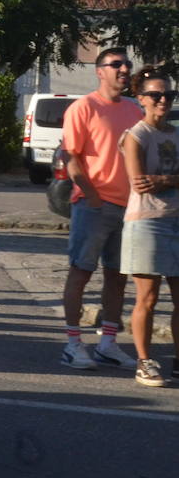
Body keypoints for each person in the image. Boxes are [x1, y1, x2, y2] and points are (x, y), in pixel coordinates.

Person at [59, 47, 142, 371]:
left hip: (129, 207)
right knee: (81, 272)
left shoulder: (134, 110)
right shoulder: (84, 107)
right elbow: (71, 156)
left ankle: (108, 343)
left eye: (126, 64)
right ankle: (72, 344)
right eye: (116, 64)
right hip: (94, 205)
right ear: (100, 70)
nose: (123, 69)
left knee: (118, 277)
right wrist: (92, 195)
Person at [118, 67, 179, 387]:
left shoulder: (177, 133)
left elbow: (154, 181)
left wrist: (164, 180)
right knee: (148, 298)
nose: (163, 100)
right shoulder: (136, 136)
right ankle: (144, 361)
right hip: (147, 223)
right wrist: (168, 181)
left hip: (177, 220)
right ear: (141, 98)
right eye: (156, 95)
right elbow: (139, 184)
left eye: (169, 95)